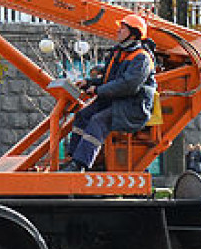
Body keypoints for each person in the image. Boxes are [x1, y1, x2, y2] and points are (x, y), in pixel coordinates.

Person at [63, 13, 157, 172]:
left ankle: (80, 165)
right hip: (119, 102)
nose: (118, 31)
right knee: (82, 115)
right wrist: (89, 82)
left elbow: (128, 85)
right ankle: (73, 159)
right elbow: (110, 79)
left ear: (134, 33)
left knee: (98, 120)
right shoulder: (120, 53)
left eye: (123, 28)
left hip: (133, 107)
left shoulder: (142, 58)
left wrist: (98, 90)